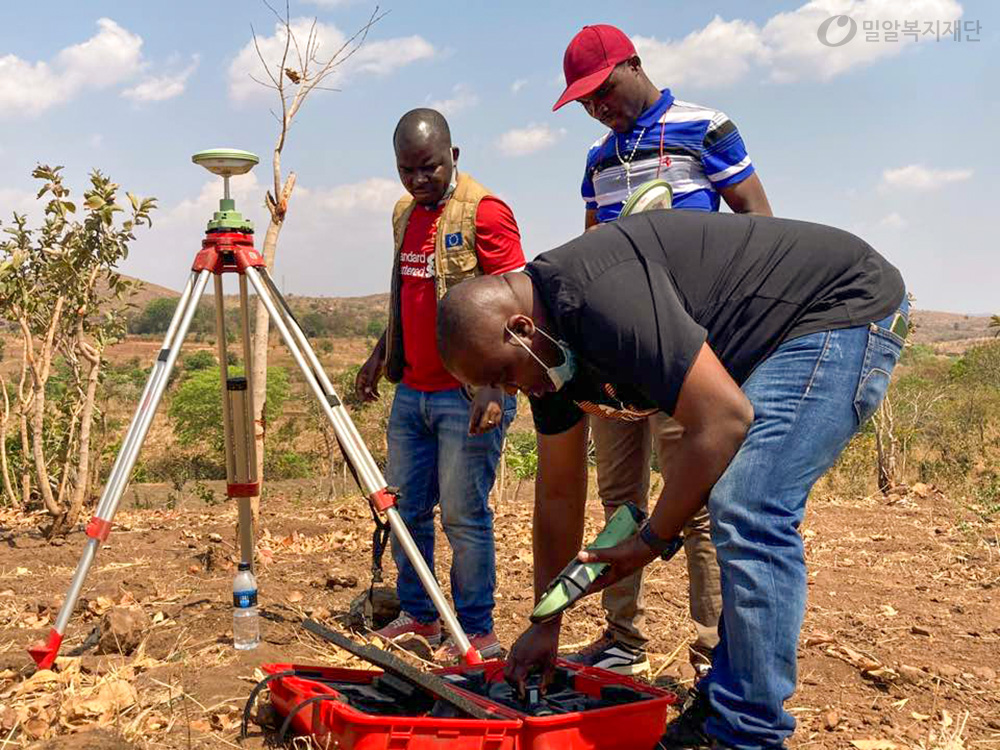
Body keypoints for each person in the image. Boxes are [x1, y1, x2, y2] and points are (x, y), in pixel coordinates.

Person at [435, 209, 907, 750]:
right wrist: (548, 620)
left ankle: (746, 733)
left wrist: (652, 538)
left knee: (749, 506)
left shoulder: (598, 295)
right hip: (776, 339)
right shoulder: (546, 356)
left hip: (839, 310)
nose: (511, 392)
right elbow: (560, 495)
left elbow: (723, 420)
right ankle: (725, 705)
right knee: (738, 502)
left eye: (502, 377)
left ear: (519, 329)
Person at [550, 23, 774, 675]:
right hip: (618, 361)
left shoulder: (706, 128)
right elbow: (591, 252)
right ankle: (622, 641)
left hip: (691, 353)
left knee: (700, 499)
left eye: (603, 90)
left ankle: (713, 647)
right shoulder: (597, 161)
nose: (598, 107)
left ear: (633, 65)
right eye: (585, 101)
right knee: (620, 501)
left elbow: (757, 222)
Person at [355, 108, 525, 662]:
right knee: (406, 510)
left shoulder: (487, 212)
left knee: (462, 514)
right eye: (407, 170)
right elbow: (409, 295)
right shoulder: (404, 214)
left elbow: (517, 306)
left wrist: (495, 389)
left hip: (466, 396)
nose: (418, 180)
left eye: (428, 168)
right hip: (413, 393)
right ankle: (421, 615)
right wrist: (381, 355)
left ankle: (477, 629)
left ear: (453, 156)